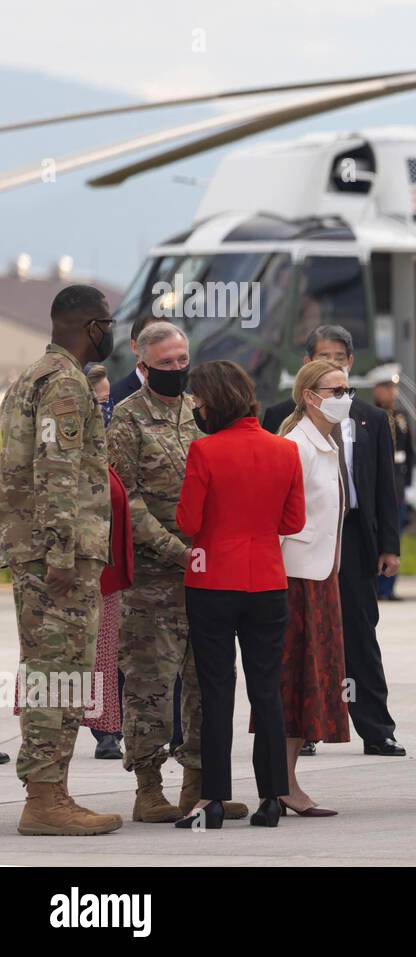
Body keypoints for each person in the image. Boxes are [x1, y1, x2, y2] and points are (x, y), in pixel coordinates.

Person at [109, 321, 250, 823]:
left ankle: (198, 784)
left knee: (205, 680)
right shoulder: (125, 422)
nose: (176, 369)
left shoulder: (200, 414)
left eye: (181, 360)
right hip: (153, 581)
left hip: (208, 574)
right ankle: (148, 788)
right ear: (142, 365)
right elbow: (127, 502)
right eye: (165, 362)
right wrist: (176, 550)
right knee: (150, 684)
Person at [0, 284, 121, 835]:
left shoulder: (33, 376)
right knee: (58, 674)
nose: (111, 331)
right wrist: (61, 551)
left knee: (63, 672)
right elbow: (56, 470)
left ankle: (55, 793)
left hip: (44, 552)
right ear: (89, 324)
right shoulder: (66, 383)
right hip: (59, 559)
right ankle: (45, 800)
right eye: (108, 321)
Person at [175, 360, 306, 829]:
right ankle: (272, 796)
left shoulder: (204, 451)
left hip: (212, 581)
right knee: (267, 690)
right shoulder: (284, 450)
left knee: (216, 690)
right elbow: (293, 523)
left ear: (214, 402)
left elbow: (188, 523)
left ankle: (213, 797)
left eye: (200, 400)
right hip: (267, 582)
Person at [263, 326, 404, 756]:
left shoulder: (371, 418)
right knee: (303, 634)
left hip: (356, 536)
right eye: (325, 356)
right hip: (303, 541)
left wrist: (390, 545)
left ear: (352, 361)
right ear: (308, 365)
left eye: (341, 356)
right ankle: (301, 729)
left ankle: (375, 727)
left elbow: (386, 485)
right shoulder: (278, 420)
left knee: (360, 633)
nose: (335, 362)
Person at [272, 359, 353, 816]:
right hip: (295, 577)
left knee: (311, 681)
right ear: (310, 396)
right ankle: (282, 782)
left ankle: (285, 780)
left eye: (347, 388)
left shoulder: (324, 440)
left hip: (321, 576)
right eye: (334, 389)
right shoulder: (294, 445)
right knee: (294, 681)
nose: (344, 397)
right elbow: (280, 519)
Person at [84, 364, 125, 761]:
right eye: (97, 404)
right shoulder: (60, 447)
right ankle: (43, 732)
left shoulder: (113, 444)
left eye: (107, 404)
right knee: (53, 656)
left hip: (107, 566)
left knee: (105, 652)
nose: (104, 412)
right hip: (66, 565)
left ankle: (106, 728)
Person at [372, 368, 413, 602]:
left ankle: (389, 587)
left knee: (395, 536)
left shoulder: (400, 415)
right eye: (387, 387)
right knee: (379, 537)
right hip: (380, 484)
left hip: (397, 485)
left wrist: (407, 483)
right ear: (377, 389)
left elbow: (408, 452)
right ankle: (377, 585)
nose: (392, 392)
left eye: (393, 387)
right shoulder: (370, 414)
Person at [106, 313, 167, 416]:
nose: (161, 345)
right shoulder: (113, 398)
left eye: (167, 338)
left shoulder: (189, 397)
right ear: (135, 347)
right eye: (152, 339)